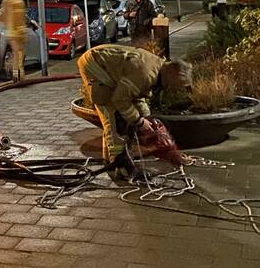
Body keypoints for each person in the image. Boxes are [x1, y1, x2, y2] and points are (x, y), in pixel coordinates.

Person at [77, 43, 191, 175]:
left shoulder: (157, 68)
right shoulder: (145, 73)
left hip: (104, 63)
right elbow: (120, 99)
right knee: (114, 119)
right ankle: (121, 166)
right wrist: (139, 121)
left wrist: (146, 117)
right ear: (173, 73)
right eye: (178, 85)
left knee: (122, 118)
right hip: (94, 64)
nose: (176, 89)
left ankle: (109, 161)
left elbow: (137, 93)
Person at [0, 0, 28, 81]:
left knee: (20, 52)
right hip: (13, 31)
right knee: (17, 52)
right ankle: (17, 74)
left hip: (17, 31)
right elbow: (3, 17)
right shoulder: (11, 2)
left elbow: (2, 17)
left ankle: (18, 73)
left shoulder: (18, 2)